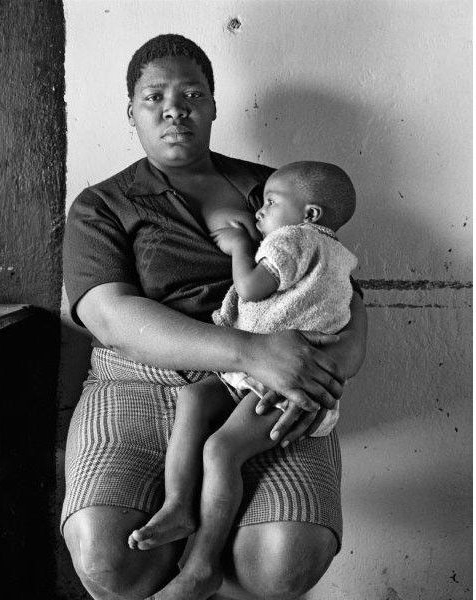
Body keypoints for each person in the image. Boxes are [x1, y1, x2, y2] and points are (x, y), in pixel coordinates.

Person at [61, 33, 367, 600]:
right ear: (130, 113)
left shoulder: (278, 190)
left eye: (192, 95)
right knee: (109, 560)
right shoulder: (104, 204)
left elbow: (342, 293)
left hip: (273, 387)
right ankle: (187, 531)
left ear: (213, 107)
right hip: (139, 383)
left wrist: (328, 372)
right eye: (154, 97)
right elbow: (110, 317)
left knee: (283, 564)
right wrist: (249, 351)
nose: (174, 109)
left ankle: (207, 571)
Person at [127, 161, 358, 598]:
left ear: (309, 215)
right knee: (196, 396)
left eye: (271, 203)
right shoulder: (340, 256)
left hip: (277, 383)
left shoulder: (290, 240)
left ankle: (201, 565)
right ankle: (179, 508)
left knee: (221, 450)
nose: (261, 212)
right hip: (262, 373)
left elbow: (252, 289)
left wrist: (237, 246)